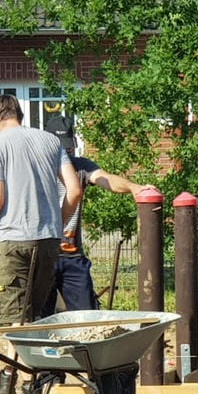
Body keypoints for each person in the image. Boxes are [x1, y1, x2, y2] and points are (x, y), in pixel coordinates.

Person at [0, 93, 82, 324]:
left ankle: (19, 349)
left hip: (15, 241)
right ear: (19, 115)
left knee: (16, 320)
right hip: (49, 240)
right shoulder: (52, 141)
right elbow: (75, 191)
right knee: (35, 317)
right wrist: (58, 224)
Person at [42, 134, 156, 314]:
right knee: (38, 318)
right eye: (62, 149)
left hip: (72, 256)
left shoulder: (80, 166)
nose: (66, 153)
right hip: (43, 254)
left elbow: (106, 179)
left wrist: (133, 187)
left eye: (69, 148)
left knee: (88, 316)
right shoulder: (37, 168)